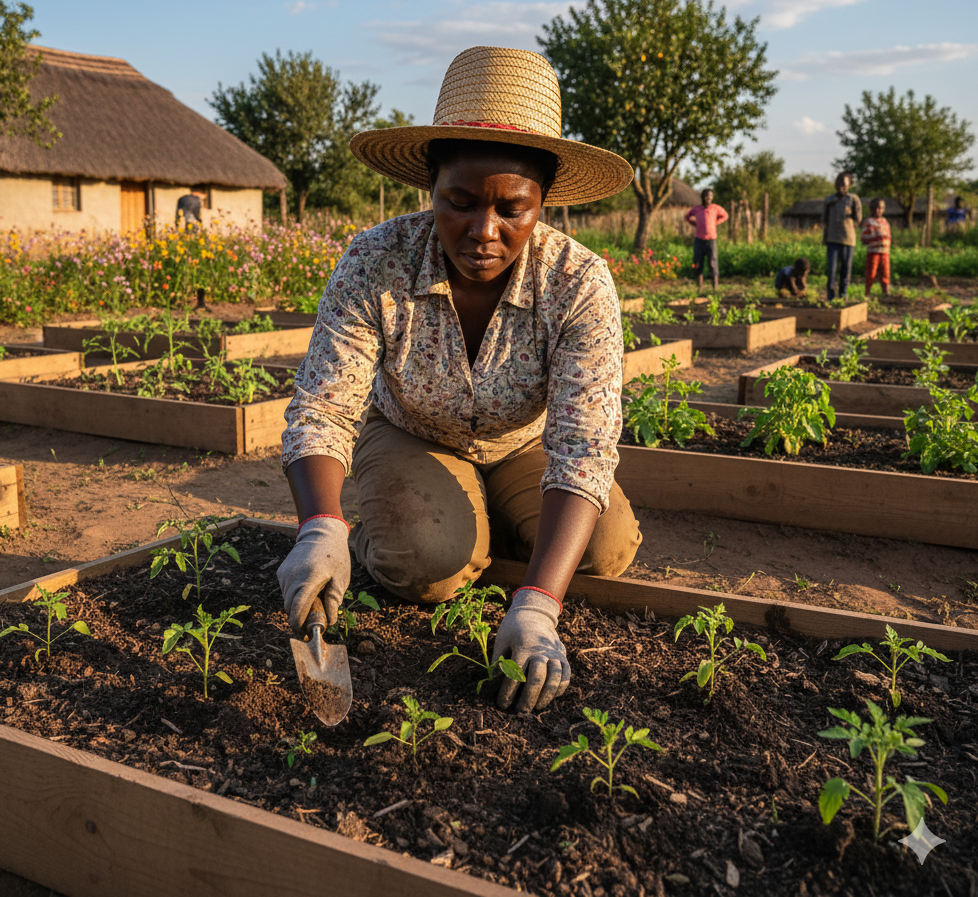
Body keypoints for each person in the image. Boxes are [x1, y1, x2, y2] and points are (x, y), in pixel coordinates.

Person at [277, 46, 643, 715]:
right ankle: (401, 526)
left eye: (513, 208)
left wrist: (537, 605)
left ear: (543, 204)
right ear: (431, 189)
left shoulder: (578, 283)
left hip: (522, 443)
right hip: (412, 430)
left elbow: (585, 447)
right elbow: (324, 405)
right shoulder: (376, 258)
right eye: (460, 202)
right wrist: (320, 526)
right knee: (425, 566)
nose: (484, 230)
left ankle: (481, 531)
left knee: (607, 547)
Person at [823, 174, 862, 301]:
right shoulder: (829, 200)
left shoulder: (853, 199)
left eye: (844, 185)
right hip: (832, 239)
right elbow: (824, 219)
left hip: (847, 239)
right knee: (831, 270)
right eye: (838, 184)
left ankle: (843, 294)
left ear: (849, 185)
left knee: (846, 269)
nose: (841, 187)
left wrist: (853, 211)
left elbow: (858, 218)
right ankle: (830, 294)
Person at [684, 188, 729, 293]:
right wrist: (694, 223)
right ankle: (700, 288)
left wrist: (715, 222)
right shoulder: (697, 209)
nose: (709, 197)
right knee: (698, 263)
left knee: (713, 263)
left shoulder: (715, 208)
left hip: (711, 240)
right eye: (707, 195)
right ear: (703, 197)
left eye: (710, 195)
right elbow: (687, 216)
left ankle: (715, 288)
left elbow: (725, 215)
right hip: (699, 240)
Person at [861, 198, 892, 297]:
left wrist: (887, 241)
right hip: (873, 252)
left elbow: (888, 235)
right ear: (871, 209)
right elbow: (864, 238)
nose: (879, 210)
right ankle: (867, 293)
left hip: (885, 252)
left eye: (881, 208)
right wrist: (877, 239)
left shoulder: (885, 221)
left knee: (885, 272)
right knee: (871, 272)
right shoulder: (869, 222)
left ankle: (885, 292)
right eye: (876, 208)